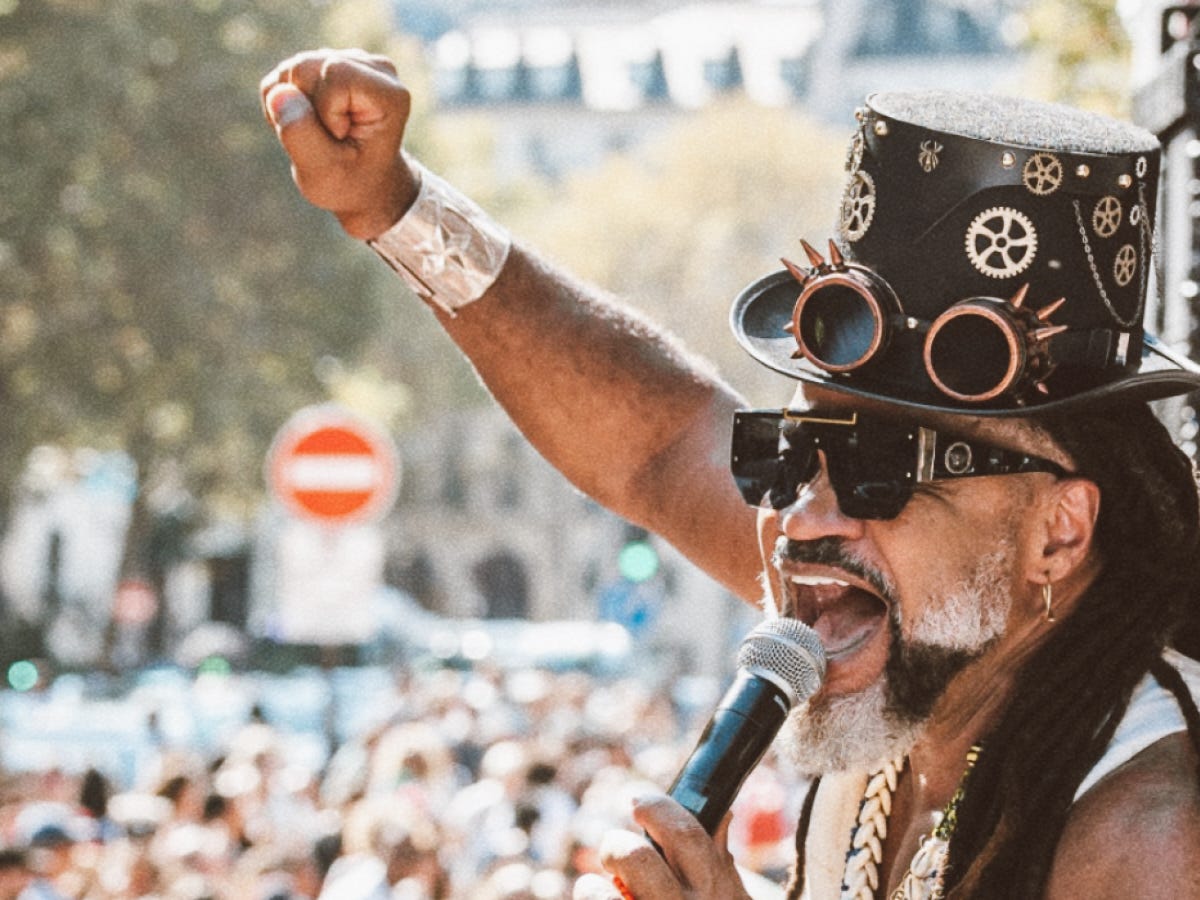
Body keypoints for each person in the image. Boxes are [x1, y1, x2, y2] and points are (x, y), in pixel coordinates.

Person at [259, 49, 1200, 899]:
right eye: (788, 456)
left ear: (1057, 532)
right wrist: (395, 208)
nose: (802, 519)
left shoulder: (1147, 842)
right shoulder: (913, 648)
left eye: (881, 471)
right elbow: (659, 445)